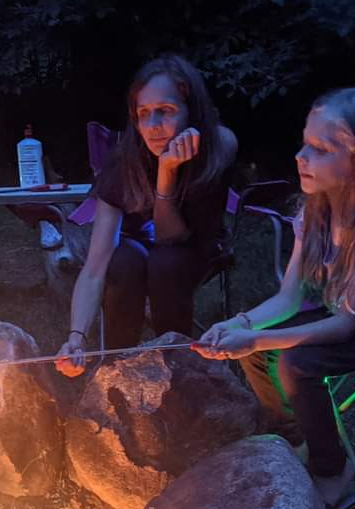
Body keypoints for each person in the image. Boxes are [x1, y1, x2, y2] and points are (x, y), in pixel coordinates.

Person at [194, 87, 355, 508]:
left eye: (321, 148)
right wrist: (241, 325)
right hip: (347, 312)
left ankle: (334, 471)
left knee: (297, 364)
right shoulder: (314, 213)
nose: (301, 156)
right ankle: (305, 435)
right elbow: (289, 299)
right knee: (257, 353)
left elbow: (348, 325)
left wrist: (255, 338)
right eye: (305, 142)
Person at [55, 55, 237, 375]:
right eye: (143, 113)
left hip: (195, 246)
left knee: (166, 263)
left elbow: (172, 236)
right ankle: (115, 371)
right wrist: (76, 338)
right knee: (122, 261)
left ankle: (178, 372)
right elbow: (96, 265)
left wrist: (166, 173)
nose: (152, 126)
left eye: (165, 111)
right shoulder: (124, 160)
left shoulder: (219, 144)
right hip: (141, 244)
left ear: (190, 109)